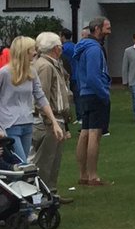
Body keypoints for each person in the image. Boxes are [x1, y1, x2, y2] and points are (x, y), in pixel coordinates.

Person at [0, 36, 65, 163]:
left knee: (22, 167)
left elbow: (40, 97)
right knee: (21, 164)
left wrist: (54, 122)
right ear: (24, 52)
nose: (35, 53)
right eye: (32, 49)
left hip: (27, 124)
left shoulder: (32, 72)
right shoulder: (4, 73)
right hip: (9, 125)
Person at [31, 32, 73, 197]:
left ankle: (50, 192)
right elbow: (41, 96)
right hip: (50, 119)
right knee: (46, 161)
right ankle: (42, 194)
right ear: (56, 48)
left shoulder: (50, 64)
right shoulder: (45, 66)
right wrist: (50, 120)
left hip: (56, 118)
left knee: (53, 160)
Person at [75, 16, 111, 186]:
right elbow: (93, 76)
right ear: (97, 29)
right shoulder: (94, 49)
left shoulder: (83, 47)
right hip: (94, 94)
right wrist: (104, 93)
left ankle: (83, 175)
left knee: (85, 132)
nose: (109, 32)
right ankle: (92, 175)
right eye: (107, 28)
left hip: (84, 93)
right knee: (94, 134)